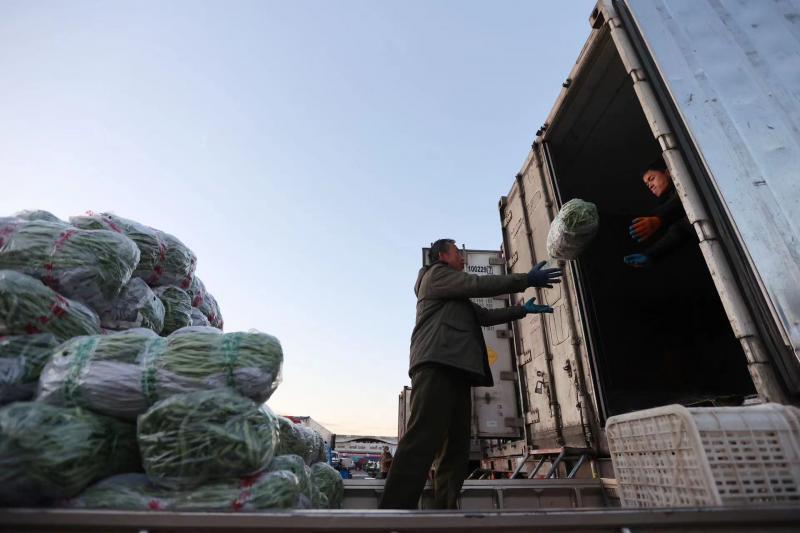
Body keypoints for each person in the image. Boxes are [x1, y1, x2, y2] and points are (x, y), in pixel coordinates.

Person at [379, 239, 561, 509]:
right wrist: (525, 279)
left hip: (458, 369)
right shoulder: (436, 276)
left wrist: (521, 310)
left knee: (456, 446)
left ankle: (446, 508)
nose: (462, 258)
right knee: (422, 437)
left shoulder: (454, 295)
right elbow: (477, 284)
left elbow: (484, 316)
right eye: (457, 253)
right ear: (442, 256)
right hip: (437, 363)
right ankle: (392, 513)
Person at [624, 157, 693, 267]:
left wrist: (659, 219)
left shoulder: (686, 181)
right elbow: (680, 230)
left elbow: (683, 198)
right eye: (647, 184)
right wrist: (651, 254)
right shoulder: (669, 206)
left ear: (668, 172)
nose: (650, 185)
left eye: (651, 179)